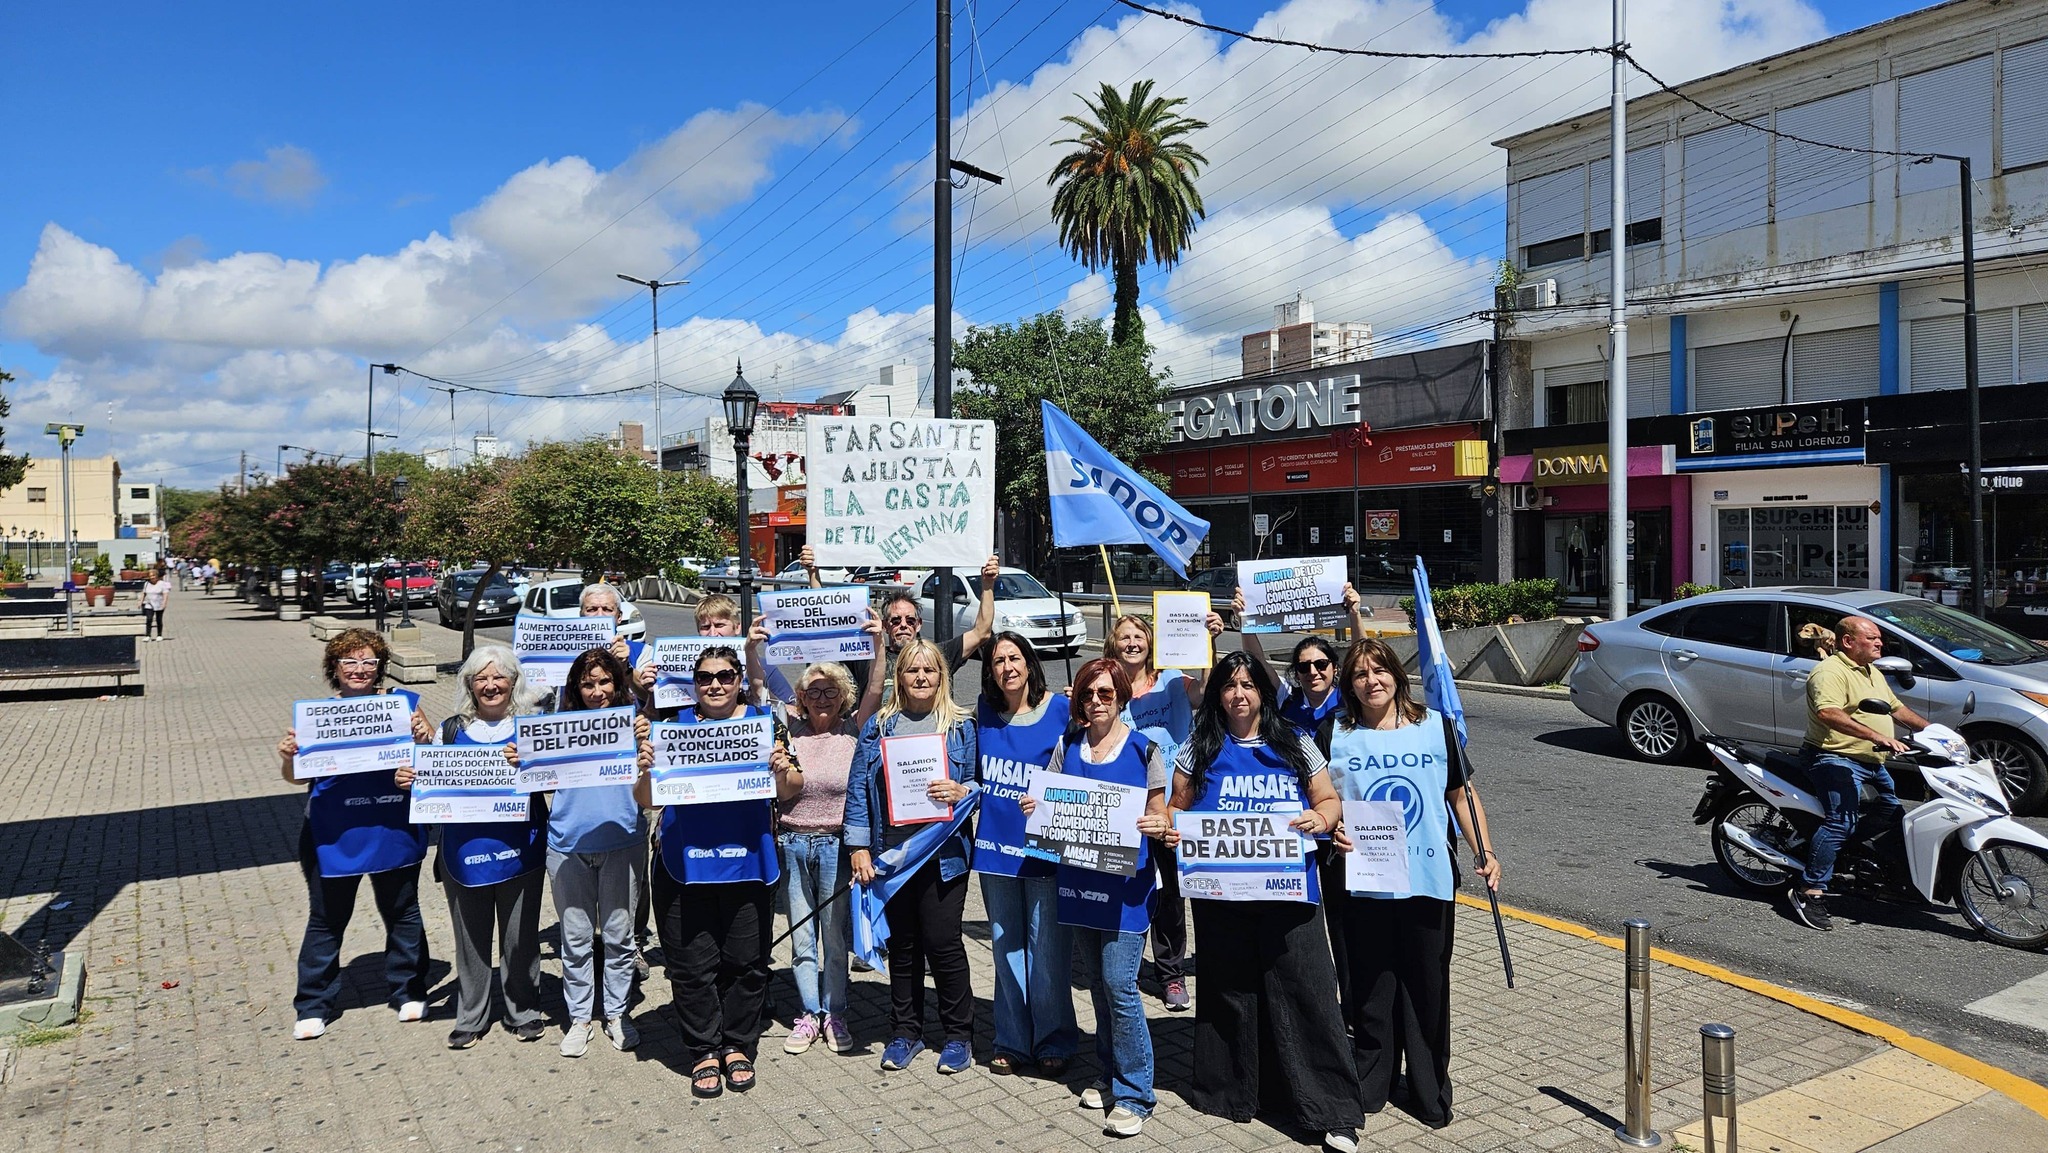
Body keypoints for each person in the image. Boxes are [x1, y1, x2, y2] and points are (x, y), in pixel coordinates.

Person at [1168, 649, 1364, 1153]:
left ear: (1262, 692)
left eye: (1248, 685)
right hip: (1220, 894)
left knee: (1308, 992)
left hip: (1289, 892)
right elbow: (1176, 806)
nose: (1239, 694)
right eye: (1229, 685)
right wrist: (1168, 828)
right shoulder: (1197, 746)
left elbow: (1328, 799)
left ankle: (1332, 1110)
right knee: (1229, 991)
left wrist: (1322, 820)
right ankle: (1232, 1093)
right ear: (1218, 694)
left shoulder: (1295, 741)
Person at [1318, 638, 1501, 1129]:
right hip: (1365, 880)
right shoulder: (1334, 731)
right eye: (1359, 674)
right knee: (1371, 986)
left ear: (1397, 676)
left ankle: (1428, 1087)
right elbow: (1322, 799)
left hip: (1427, 876)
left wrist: (1485, 852)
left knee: (1426, 986)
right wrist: (1333, 828)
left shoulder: (1436, 726)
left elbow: (1460, 795)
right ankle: (1373, 1079)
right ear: (1349, 684)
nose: (1371, 682)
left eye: (1379, 671)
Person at [1024, 658, 1176, 1138]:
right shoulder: (1067, 745)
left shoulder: (1145, 749)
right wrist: (1035, 805)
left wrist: (1158, 826)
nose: (1095, 702)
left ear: (1122, 697)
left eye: (1105, 693)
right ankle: (1108, 1073)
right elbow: (1047, 800)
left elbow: (1161, 815)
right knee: (1096, 983)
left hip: (1127, 889)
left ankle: (1136, 1093)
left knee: (1120, 984)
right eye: (1087, 694)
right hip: (1078, 884)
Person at [648, 646, 802, 1097]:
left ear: (738, 679)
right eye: (705, 677)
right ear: (694, 683)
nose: (715, 684)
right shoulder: (672, 728)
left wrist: (781, 770)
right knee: (691, 968)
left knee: (747, 964)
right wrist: (644, 770)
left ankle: (736, 1045)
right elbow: (648, 798)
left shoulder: (766, 723)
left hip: (748, 863)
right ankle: (703, 1049)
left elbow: (792, 787)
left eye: (725, 675)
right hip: (684, 864)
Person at [275, 628, 434, 1041]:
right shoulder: (317, 717)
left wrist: (424, 739)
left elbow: (430, 761)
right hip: (332, 833)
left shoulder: (403, 706)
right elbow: (296, 778)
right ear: (335, 667)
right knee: (327, 919)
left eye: (368, 661)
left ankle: (409, 988)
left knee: (402, 911)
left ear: (380, 667)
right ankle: (313, 1003)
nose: (359, 669)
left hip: (391, 825)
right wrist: (289, 758)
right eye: (350, 661)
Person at [509, 646, 654, 1058]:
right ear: (575, 687)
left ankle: (617, 1013)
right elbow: (536, 778)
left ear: (617, 683)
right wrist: (521, 760)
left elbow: (655, 779)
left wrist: (647, 746)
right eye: (588, 684)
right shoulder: (555, 727)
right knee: (575, 940)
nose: (597, 691)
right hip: (568, 845)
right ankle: (579, 1018)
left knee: (620, 938)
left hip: (622, 842)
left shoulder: (636, 724)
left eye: (605, 682)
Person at [845, 638, 979, 1075]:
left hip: (943, 855)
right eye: (912, 670)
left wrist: (962, 791)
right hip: (892, 856)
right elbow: (858, 790)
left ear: (942, 676)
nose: (921, 677)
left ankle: (958, 1036)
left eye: (929, 670)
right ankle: (906, 1032)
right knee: (903, 945)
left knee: (942, 943)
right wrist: (858, 846)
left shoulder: (961, 726)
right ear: (899, 677)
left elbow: (979, 784)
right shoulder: (879, 726)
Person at [414, 644, 552, 1049]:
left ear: (514, 681)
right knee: (470, 940)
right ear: (469, 685)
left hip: (521, 851)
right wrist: (412, 777)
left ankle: (523, 1010)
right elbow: (430, 784)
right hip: (463, 853)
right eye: (481, 678)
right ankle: (471, 1015)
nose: (490, 685)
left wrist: (531, 765)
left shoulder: (532, 727)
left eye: (499, 677)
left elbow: (554, 780)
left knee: (519, 939)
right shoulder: (450, 731)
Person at [973, 632, 1078, 1077]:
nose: (1007, 668)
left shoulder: (1061, 710)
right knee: (1005, 950)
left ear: (1029, 663)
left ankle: (1053, 1037)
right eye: (998, 661)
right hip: (995, 851)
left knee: (1047, 951)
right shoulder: (982, 712)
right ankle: (1012, 1039)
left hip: (1045, 852)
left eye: (1014, 658)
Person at [1108, 611, 1223, 1013]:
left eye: (1139, 636)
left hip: (1173, 803)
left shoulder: (1172, 679)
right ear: (1113, 644)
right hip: (1126, 803)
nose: (1132, 643)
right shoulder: (1108, 687)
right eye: (1124, 637)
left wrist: (1209, 645)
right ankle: (1122, 964)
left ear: (1151, 642)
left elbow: (1206, 694)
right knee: (1131, 885)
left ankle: (1171, 973)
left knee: (1171, 892)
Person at [1792, 615, 1927, 931]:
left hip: (1871, 761)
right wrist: (1876, 735)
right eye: (1872, 638)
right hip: (1833, 758)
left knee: (1892, 814)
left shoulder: (1871, 671)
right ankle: (1809, 890)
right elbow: (1828, 713)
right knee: (1841, 822)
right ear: (1848, 641)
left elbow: (1896, 708)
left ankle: (1844, 856)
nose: (1880, 642)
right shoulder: (1829, 672)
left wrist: (1934, 731)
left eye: (1879, 638)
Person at [777, 656, 882, 1058]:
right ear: (801, 697)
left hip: (836, 846)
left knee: (835, 939)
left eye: (830, 691)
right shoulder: (789, 730)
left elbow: (876, 688)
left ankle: (835, 1013)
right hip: (793, 843)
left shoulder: (854, 728)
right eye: (814, 691)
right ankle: (809, 1013)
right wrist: (754, 649)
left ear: (843, 697)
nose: (822, 698)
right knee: (802, 938)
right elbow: (757, 687)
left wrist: (877, 644)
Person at [844, 554, 1002, 689]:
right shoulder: (867, 659)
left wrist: (987, 584)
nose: (904, 625)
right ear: (885, 626)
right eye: (896, 621)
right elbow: (833, 631)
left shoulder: (937, 655)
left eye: (910, 620)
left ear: (918, 624)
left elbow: (982, 632)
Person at [1233, 583, 1370, 739]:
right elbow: (1257, 661)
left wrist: (1354, 613)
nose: (1313, 672)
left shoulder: (1348, 696)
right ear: (1296, 673)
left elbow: (1362, 656)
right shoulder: (1287, 698)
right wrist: (1244, 618)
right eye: (1304, 667)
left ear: (1335, 668)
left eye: (1321, 664)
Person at [141, 564, 171, 641]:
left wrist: (164, 603)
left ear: (157, 576)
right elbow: (144, 593)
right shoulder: (147, 584)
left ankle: (159, 635)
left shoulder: (162, 584)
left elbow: (165, 594)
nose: (152, 577)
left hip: (159, 603)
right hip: (149, 603)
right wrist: (140, 601)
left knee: (158, 619)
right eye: (150, 576)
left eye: (153, 576)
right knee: (149, 619)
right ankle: (148, 635)